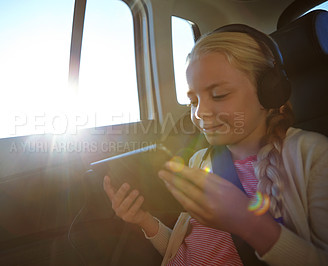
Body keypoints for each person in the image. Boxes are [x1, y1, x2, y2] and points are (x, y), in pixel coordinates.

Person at [103, 25, 328, 265]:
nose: (200, 112)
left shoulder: (312, 156)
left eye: (219, 95)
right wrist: (144, 221)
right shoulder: (199, 160)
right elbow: (191, 251)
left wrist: (248, 222)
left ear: (269, 92)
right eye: (192, 101)